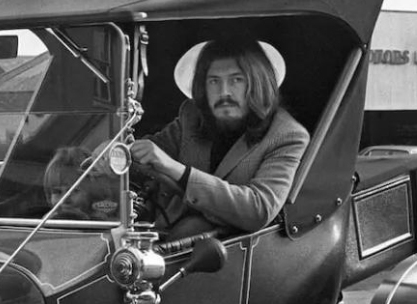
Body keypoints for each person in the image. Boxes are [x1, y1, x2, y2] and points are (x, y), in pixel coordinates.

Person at [126, 33, 309, 236]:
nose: (224, 92)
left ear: (258, 82)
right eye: (214, 81)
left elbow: (259, 209)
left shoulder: (287, 136)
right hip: (163, 236)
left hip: (231, 255)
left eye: (236, 80)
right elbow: (147, 152)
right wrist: (116, 153)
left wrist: (177, 170)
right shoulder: (192, 116)